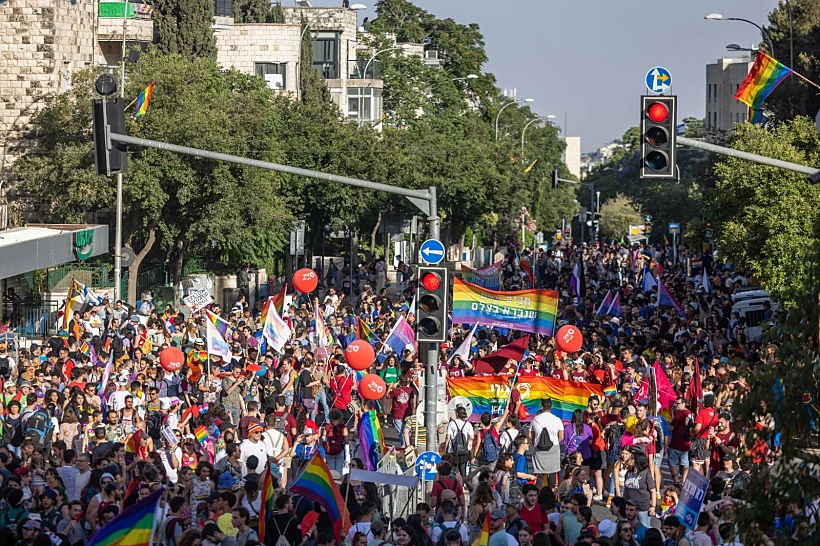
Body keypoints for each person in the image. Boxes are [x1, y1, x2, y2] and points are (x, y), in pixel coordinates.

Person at [529, 399, 564, 487]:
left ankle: (537, 495)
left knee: (539, 474)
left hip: (539, 449)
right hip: (553, 449)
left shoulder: (534, 420)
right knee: (552, 473)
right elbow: (561, 437)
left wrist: (535, 443)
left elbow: (530, 435)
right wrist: (555, 443)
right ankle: (551, 494)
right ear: (551, 407)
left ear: (542, 407)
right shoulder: (557, 420)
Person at [446, 406, 474, 478]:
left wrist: (446, 449)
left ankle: (452, 485)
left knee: (452, 470)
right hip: (464, 450)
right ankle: (462, 485)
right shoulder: (468, 424)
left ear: (457, 414)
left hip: (453, 450)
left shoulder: (452, 423)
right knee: (463, 470)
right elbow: (472, 437)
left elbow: (448, 437)